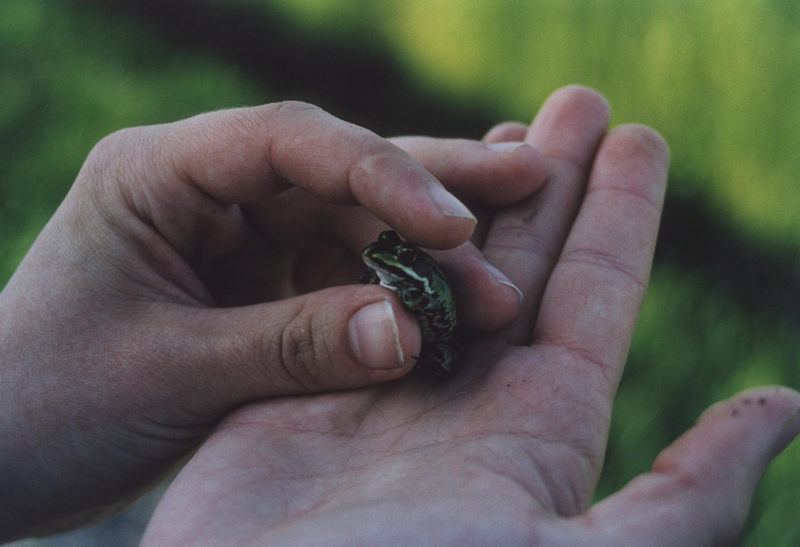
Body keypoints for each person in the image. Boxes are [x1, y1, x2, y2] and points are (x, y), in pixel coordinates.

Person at [0, 86, 796, 546]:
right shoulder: (389, 273)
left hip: (442, 340)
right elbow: (401, 285)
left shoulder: (404, 276)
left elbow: (419, 290)